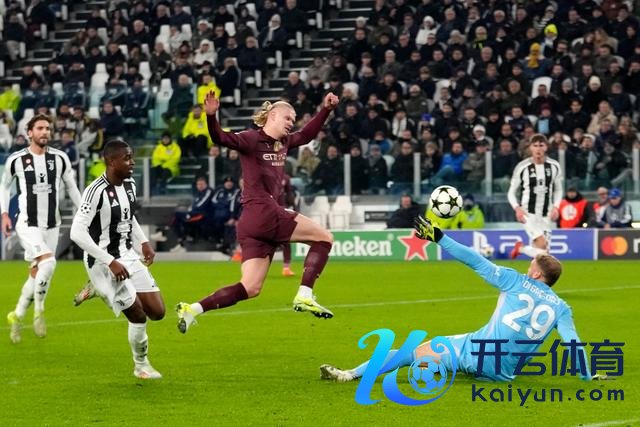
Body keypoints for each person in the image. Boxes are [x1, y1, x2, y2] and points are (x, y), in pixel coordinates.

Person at [320, 216, 599, 383]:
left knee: (412, 351)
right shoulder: (562, 308)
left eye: (531, 265)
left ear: (537, 274)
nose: (528, 267)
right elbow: (572, 343)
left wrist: (440, 237)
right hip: (504, 372)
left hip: (477, 354)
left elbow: (475, 260)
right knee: (457, 346)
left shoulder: (515, 280)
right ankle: (436, 365)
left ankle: (350, 374)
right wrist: (587, 376)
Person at [175, 91, 340, 333]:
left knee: (250, 287)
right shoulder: (251, 139)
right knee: (324, 238)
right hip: (264, 212)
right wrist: (211, 117)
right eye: (287, 118)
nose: (291, 123)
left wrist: (325, 110)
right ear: (272, 116)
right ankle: (305, 294)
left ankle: (192, 309)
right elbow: (220, 137)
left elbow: (306, 135)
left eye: (293, 120)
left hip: (251, 223)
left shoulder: (283, 142)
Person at [70, 139, 165, 379]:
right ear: (111, 162)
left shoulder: (130, 184)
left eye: (132, 157)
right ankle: (141, 366)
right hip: (103, 262)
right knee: (138, 315)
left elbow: (128, 217)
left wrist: (143, 242)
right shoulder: (95, 191)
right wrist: (110, 261)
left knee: (157, 312)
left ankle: (97, 290)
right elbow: (76, 232)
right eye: (127, 158)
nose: (132, 162)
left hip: (127, 255)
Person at [1, 114, 81, 344]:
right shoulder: (16, 160)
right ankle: (39, 312)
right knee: (49, 262)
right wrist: (4, 213)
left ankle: (16, 315)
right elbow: (4, 187)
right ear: (29, 132)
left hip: (52, 225)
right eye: (40, 128)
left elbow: (72, 188)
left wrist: (84, 213)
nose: (45, 132)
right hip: (28, 223)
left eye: (47, 128)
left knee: (38, 272)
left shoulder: (60, 158)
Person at [508, 134, 563, 259]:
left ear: (546, 147)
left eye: (541, 145)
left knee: (543, 254)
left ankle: (521, 249)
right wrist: (517, 208)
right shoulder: (522, 167)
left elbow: (559, 189)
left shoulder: (554, 166)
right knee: (541, 244)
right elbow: (511, 192)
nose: (538, 149)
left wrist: (556, 207)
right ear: (530, 148)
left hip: (547, 213)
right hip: (528, 213)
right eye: (535, 145)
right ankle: (521, 249)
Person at [170, 176, 214, 252]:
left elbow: (202, 204)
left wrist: (190, 212)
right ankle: (180, 242)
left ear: (206, 184)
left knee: (178, 216)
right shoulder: (198, 194)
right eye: (198, 184)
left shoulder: (208, 191)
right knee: (176, 219)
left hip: (202, 215)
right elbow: (193, 205)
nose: (200, 186)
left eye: (202, 184)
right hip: (194, 214)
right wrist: (189, 211)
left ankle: (164, 234)